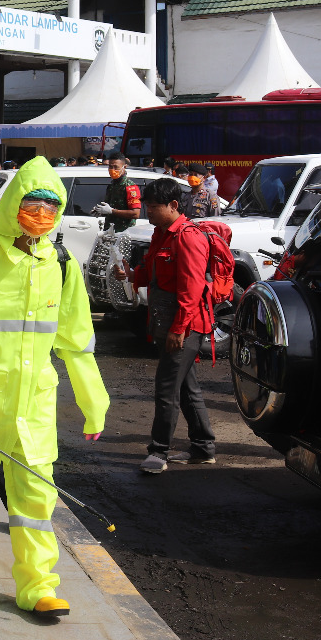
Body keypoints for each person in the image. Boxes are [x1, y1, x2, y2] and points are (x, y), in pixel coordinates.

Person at [0, 156, 108, 617]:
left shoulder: (63, 264)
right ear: (13, 205)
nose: (41, 215)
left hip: (34, 407)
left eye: (51, 208)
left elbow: (77, 342)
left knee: (35, 498)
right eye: (33, 204)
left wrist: (94, 403)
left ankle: (37, 586)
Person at [114, 178, 217, 475]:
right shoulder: (162, 233)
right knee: (186, 387)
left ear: (173, 205)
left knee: (167, 388)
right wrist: (133, 275)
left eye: (154, 207)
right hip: (168, 323)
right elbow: (155, 272)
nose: (149, 212)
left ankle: (159, 452)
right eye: (147, 206)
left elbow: (191, 289)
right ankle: (203, 447)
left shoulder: (188, 237)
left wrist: (179, 329)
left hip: (183, 326)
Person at [92, 152, 142, 232]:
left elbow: (135, 213)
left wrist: (111, 211)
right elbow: (110, 207)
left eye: (116, 167)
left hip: (123, 233)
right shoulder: (112, 186)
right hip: (110, 231)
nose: (112, 170)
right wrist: (100, 210)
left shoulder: (130, 187)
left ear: (124, 167)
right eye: (110, 167)